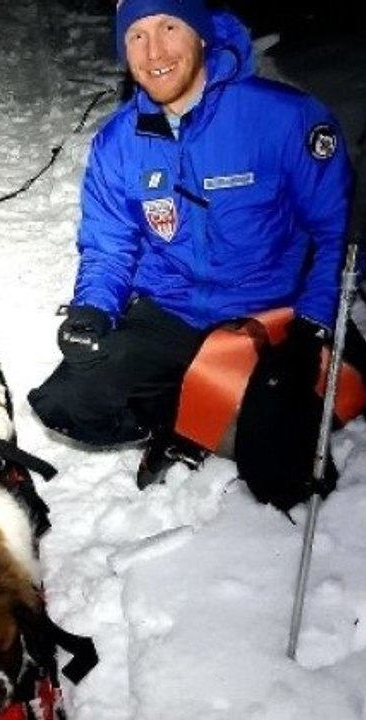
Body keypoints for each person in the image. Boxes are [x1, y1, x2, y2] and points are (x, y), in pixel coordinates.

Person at [26, 0, 355, 505]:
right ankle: (194, 418)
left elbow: (337, 234)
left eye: (169, 27)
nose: (153, 51)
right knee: (72, 401)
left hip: (272, 315)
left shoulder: (285, 118)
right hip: (174, 309)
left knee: (283, 478)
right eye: (136, 35)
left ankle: (244, 413)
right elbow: (109, 246)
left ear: (201, 36)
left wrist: (313, 325)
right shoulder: (119, 142)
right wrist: (92, 311)